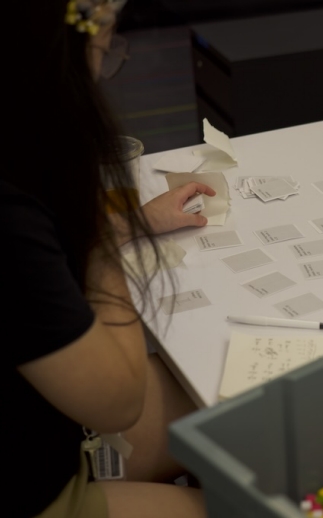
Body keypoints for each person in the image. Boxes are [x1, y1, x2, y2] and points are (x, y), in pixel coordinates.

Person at [4, 1, 215, 516]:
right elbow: (119, 401)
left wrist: (130, 223)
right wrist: (98, 237)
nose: (102, 76)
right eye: (105, 49)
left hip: (44, 425)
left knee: (231, 392)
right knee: (263, 504)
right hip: (39, 485)